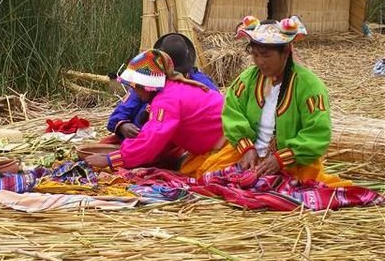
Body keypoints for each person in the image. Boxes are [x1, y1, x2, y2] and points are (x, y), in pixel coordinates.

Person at [181, 15, 350, 186]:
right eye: (255, 54)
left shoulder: (310, 87)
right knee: (207, 176)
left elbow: (317, 132)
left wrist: (281, 159)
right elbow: (232, 112)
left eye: (266, 55)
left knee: (303, 188)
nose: (259, 61)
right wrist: (247, 148)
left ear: (285, 52)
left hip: (293, 163)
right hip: (249, 156)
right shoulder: (247, 80)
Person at [86, 49, 225, 171]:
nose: (134, 91)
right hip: (214, 144)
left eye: (136, 87)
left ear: (146, 86)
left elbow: (151, 139)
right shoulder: (171, 88)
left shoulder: (166, 100)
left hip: (227, 145)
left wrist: (111, 160)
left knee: (198, 176)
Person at [107, 33, 218, 141]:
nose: (174, 79)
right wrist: (122, 126)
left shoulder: (201, 83)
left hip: (177, 142)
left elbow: (215, 113)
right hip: (140, 138)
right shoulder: (147, 85)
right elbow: (118, 115)